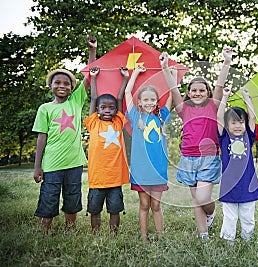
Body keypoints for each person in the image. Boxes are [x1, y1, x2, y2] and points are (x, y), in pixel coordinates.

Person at [161, 47, 233, 240]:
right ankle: (203, 236)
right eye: (194, 90)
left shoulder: (213, 105)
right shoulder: (183, 109)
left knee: (202, 198)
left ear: (208, 93)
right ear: (189, 93)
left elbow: (219, 85)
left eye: (202, 90)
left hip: (208, 158)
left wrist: (226, 62)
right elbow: (173, 89)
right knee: (195, 200)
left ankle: (211, 212)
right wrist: (165, 68)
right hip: (188, 158)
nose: (198, 93)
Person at [32, 36, 97, 235]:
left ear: (71, 88)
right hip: (51, 164)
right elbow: (41, 137)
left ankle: (71, 230)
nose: (62, 86)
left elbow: (89, 76)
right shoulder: (45, 109)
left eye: (67, 83)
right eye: (57, 82)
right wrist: (37, 166)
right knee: (49, 198)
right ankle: (44, 232)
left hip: (74, 163)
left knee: (72, 197)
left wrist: (92, 50)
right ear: (50, 86)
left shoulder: (76, 101)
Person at [125, 65, 173, 241]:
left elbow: (171, 97)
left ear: (156, 101)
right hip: (141, 170)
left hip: (158, 169)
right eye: (145, 99)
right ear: (139, 102)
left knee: (156, 204)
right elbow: (128, 92)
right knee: (144, 204)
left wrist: (171, 75)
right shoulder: (136, 117)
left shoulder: (161, 118)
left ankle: (161, 236)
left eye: (152, 99)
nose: (149, 102)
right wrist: (136, 73)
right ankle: (144, 237)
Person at [83, 66, 130, 234]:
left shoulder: (118, 122)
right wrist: (93, 78)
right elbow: (94, 98)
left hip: (115, 178)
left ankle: (114, 234)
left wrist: (125, 78)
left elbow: (119, 98)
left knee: (114, 209)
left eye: (111, 108)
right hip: (97, 178)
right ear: (97, 110)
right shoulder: (93, 123)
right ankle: (96, 233)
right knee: (94, 209)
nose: (108, 110)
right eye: (103, 107)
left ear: (116, 111)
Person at [217, 87, 258, 244]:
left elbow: (253, 117)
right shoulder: (224, 137)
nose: (237, 126)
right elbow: (219, 117)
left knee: (247, 215)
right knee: (230, 216)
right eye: (234, 122)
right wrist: (224, 97)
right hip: (229, 184)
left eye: (240, 122)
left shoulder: (248, 137)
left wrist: (246, 97)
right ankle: (228, 241)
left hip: (248, 183)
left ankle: (247, 239)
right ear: (227, 125)